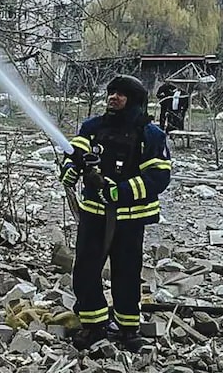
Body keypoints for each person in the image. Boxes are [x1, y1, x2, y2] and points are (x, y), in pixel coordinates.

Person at [58, 75, 171, 352]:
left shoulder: (151, 135)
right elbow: (74, 156)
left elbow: (159, 177)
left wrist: (119, 191)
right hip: (94, 213)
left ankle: (128, 328)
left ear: (134, 100)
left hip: (130, 219)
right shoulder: (93, 127)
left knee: (127, 273)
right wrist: (70, 170)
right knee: (85, 269)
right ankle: (94, 324)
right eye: (111, 92)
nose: (113, 97)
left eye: (121, 94)